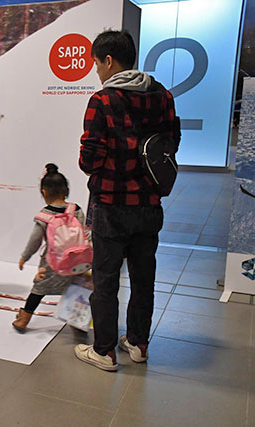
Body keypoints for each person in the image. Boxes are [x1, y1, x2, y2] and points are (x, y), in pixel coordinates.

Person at [74, 30, 180, 371]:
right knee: (143, 277)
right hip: (149, 204)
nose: (95, 70)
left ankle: (104, 351)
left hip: (110, 204)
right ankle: (138, 343)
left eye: (95, 62)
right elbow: (171, 143)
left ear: (108, 60)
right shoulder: (162, 95)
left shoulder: (102, 101)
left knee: (104, 280)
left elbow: (89, 160)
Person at [13, 163, 87, 332]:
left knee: (38, 290)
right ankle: (78, 321)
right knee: (76, 289)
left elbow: (35, 240)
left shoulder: (44, 216)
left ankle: (23, 320)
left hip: (52, 263)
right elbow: (82, 231)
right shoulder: (76, 210)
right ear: (66, 190)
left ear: (44, 192)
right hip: (76, 261)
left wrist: (25, 256)